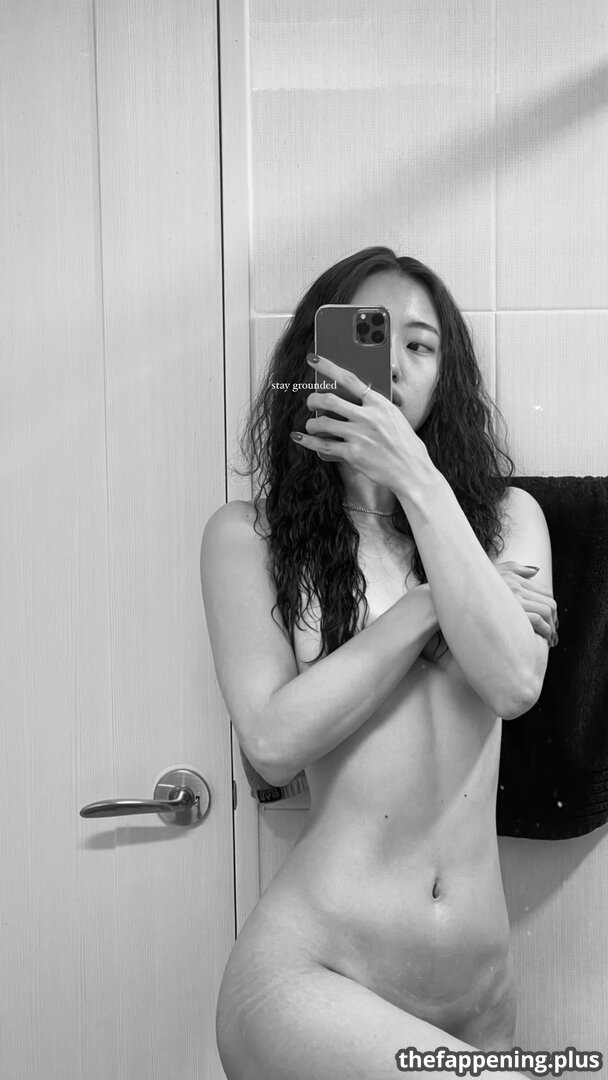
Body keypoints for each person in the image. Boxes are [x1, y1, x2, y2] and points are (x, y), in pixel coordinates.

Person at [200, 246, 557, 1079]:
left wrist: (417, 479)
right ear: (317, 356)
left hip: (480, 1003)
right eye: (370, 334)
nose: (393, 364)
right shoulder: (249, 537)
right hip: (313, 976)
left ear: (445, 375)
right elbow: (273, 743)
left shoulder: (505, 521)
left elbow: (514, 682)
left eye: (421, 345)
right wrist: (432, 605)